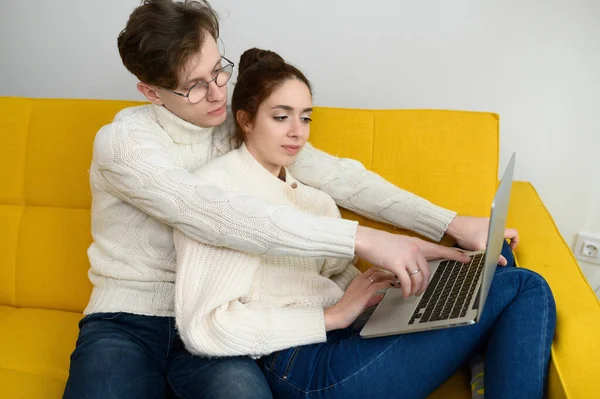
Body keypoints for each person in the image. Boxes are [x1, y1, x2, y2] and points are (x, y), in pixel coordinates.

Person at [63, 1, 520, 398]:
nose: (219, 92)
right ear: (151, 92)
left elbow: (341, 178)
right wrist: (361, 240)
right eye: (196, 85)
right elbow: (213, 214)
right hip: (130, 320)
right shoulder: (124, 143)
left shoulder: (235, 125)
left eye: (218, 69)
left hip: (220, 323)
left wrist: (451, 223)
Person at [174, 48, 556, 399]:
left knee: (494, 256)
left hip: (352, 330)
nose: (298, 132)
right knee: (525, 285)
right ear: (244, 120)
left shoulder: (307, 194)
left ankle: (479, 353)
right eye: (280, 117)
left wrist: (427, 264)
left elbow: (341, 243)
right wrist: (332, 315)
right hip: (300, 366)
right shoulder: (217, 190)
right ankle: (484, 364)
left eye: (305, 118)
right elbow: (207, 326)